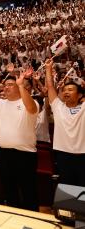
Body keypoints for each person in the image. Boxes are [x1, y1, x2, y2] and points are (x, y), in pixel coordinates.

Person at [0, 70, 39, 211]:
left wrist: (20, 85)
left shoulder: (31, 102)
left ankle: (33, 219)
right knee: (9, 189)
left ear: (19, 86)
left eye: (10, 84)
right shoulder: (1, 103)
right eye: (5, 85)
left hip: (25, 154)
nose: (6, 87)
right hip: (4, 153)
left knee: (28, 190)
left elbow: (31, 108)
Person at [45, 59, 85, 187]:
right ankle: (68, 208)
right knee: (67, 190)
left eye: (71, 89)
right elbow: (50, 87)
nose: (66, 92)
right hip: (63, 155)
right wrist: (48, 69)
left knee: (82, 189)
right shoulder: (58, 107)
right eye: (65, 90)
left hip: (82, 156)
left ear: (79, 95)